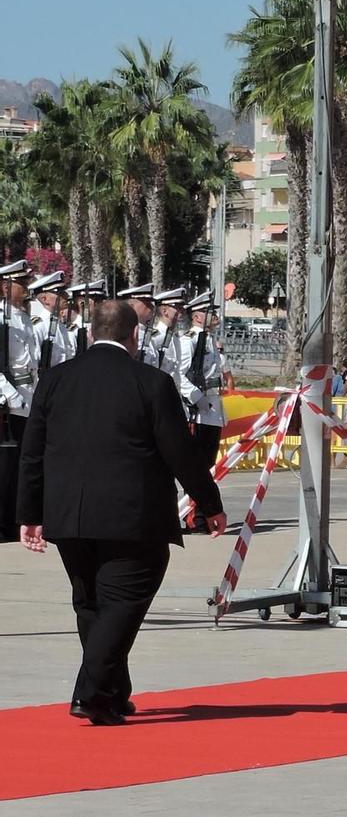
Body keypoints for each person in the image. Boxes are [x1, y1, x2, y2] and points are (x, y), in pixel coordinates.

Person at [16, 297, 227, 724]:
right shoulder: (150, 382)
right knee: (122, 601)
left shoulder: (55, 380)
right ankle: (90, 693)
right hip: (133, 517)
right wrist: (209, 503)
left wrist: (30, 513)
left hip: (70, 516)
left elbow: (32, 454)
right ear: (133, 336)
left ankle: (112, 693)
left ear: (91, 333)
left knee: (92, 603)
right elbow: (179, 452)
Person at [1, 259, 39, 544]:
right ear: (5, 286)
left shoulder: (23, 317)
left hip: (26, 400)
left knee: (20, 467)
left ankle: (14, 522)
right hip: (9, 401)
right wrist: (10, 395)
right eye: (21, 283)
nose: (26, 288)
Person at [174, 294, 231, 474]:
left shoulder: (209, 339)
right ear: (197, 317)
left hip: (213, 408)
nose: (215, 316)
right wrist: (197, 398)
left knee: (209, 465)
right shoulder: (188, 340)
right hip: (198, 411)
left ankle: (202, 502)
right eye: (209, 312)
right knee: (198, 466)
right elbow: (179, 376)